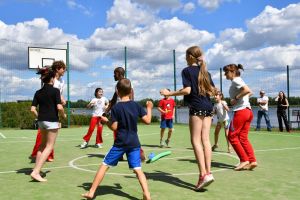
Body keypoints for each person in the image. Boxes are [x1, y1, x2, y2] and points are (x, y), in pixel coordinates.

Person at [82, 78, 152, 200]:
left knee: (104, 165)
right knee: (138, 170)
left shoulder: (117, 108)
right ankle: (147, 193)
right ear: (131, 91)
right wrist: (150, 108)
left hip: (120, 143)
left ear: (117, 92)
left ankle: (91, 192)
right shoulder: (136, 105)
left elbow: (114, 127)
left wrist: (106, 121)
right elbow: (148, 121)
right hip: (134, 143)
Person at [160, 46, 216, 191]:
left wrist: (169, 93)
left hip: (197, 107)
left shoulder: (187, 71)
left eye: (186, 56)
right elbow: (213, 91)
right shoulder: (206, 72)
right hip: (209, 107)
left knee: (196, 141)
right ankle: (208, 173)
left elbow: (187, 90)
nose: (185, 59)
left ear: (191, 56)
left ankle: (203, 174)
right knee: (206, 140)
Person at [30, 66, 66, 182]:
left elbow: (32, 109)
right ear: (52, 78)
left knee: (42, 145)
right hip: (51, 121)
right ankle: (36, 172)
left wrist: (39, 117)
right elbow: (59, 107)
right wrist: (63, 115)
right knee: (49, 146)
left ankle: (36, 169)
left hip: (41, 121)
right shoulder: (55, 91)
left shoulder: (38, 92)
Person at [105, 67, 145, 161]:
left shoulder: (127, 83)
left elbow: (131, 97)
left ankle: (139, 153)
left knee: (127, 133)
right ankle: (120, 154)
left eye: (114, 73)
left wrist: (132, 110)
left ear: (119, 73)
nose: (113, 75)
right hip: (119, 110)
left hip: (125, 111)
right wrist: (107, 109)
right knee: (117, 132)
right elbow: (114, 98)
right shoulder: (117, 85)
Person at [223, 64, 257, 171]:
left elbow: (247, 90)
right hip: (248, 111)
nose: (225, 74)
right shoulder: (239, 80)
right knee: (242, 138)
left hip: (241, 112)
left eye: (226, 72)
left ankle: (243, 160)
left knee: (232, 136)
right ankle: (252, 160)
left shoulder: (235, 80)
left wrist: (236, 99)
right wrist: (241, 99)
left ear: (232, 72)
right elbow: (250, 92)